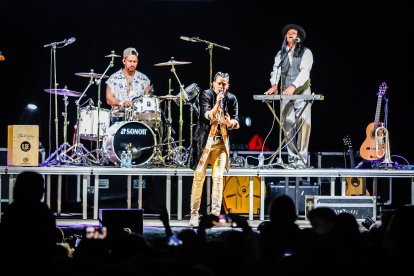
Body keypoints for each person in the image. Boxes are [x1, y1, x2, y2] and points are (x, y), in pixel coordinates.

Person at [188, 72, 239, 227]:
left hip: (221, 145)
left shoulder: (232, 99)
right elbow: (207, 115)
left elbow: (236, 120)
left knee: (218, 179)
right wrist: (217, 103)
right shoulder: (206, 95)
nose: (221, 87)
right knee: (199, 178)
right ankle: (194, 214)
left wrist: (230, 123)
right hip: (205, 143)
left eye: (224, 84)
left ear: (228, 85)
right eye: (219, 84)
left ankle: (215, 215)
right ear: (213, 84)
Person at [264, 24, 313, 169]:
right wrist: (274, 84)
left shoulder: (306, 52)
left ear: (298, 38)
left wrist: (294, 86)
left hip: (302, 90)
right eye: (288, 33)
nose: (291, 34)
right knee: (287, 123)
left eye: (294, 33)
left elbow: (305, 72)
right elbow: (276, 70)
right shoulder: (281, 54)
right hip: (286, 91)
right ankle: (292, 159)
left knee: (304, 122)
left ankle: (301, 159)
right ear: (286, 37)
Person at [106, 47, 152, 123]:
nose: (132, 64)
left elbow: (149, 98)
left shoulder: (144, 79)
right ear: (124, 61)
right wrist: (122, 103)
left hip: (138, 119)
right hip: (117, 119)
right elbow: (109, 98)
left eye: (135, 62)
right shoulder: (114, 78)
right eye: (130, 61)